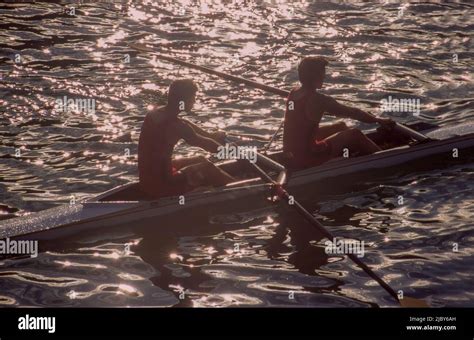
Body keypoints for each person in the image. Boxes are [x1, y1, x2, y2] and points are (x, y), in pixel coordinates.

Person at [283, 56, 394, 169]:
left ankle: (349, 154)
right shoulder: (319, 100)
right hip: (307, 157)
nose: (324, 76)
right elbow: (353, 113)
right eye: (322, 73)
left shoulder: (294, 92)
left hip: (290, 153)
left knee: (340, 126)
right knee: (354, 134)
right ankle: (387, 159)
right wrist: (379, 120)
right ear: (314, 76)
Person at [138, 79, 234, 198]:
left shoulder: (155, 113)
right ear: (184, 100)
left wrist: (210, 135)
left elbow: (185, 123)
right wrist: (231, 151)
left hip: (147, 179)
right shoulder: (177, 126)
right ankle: (239, 189)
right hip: (163, 186)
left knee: (200, 158)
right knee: (208, 168)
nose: (194, 101)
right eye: (193, 97)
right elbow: (207, 146)